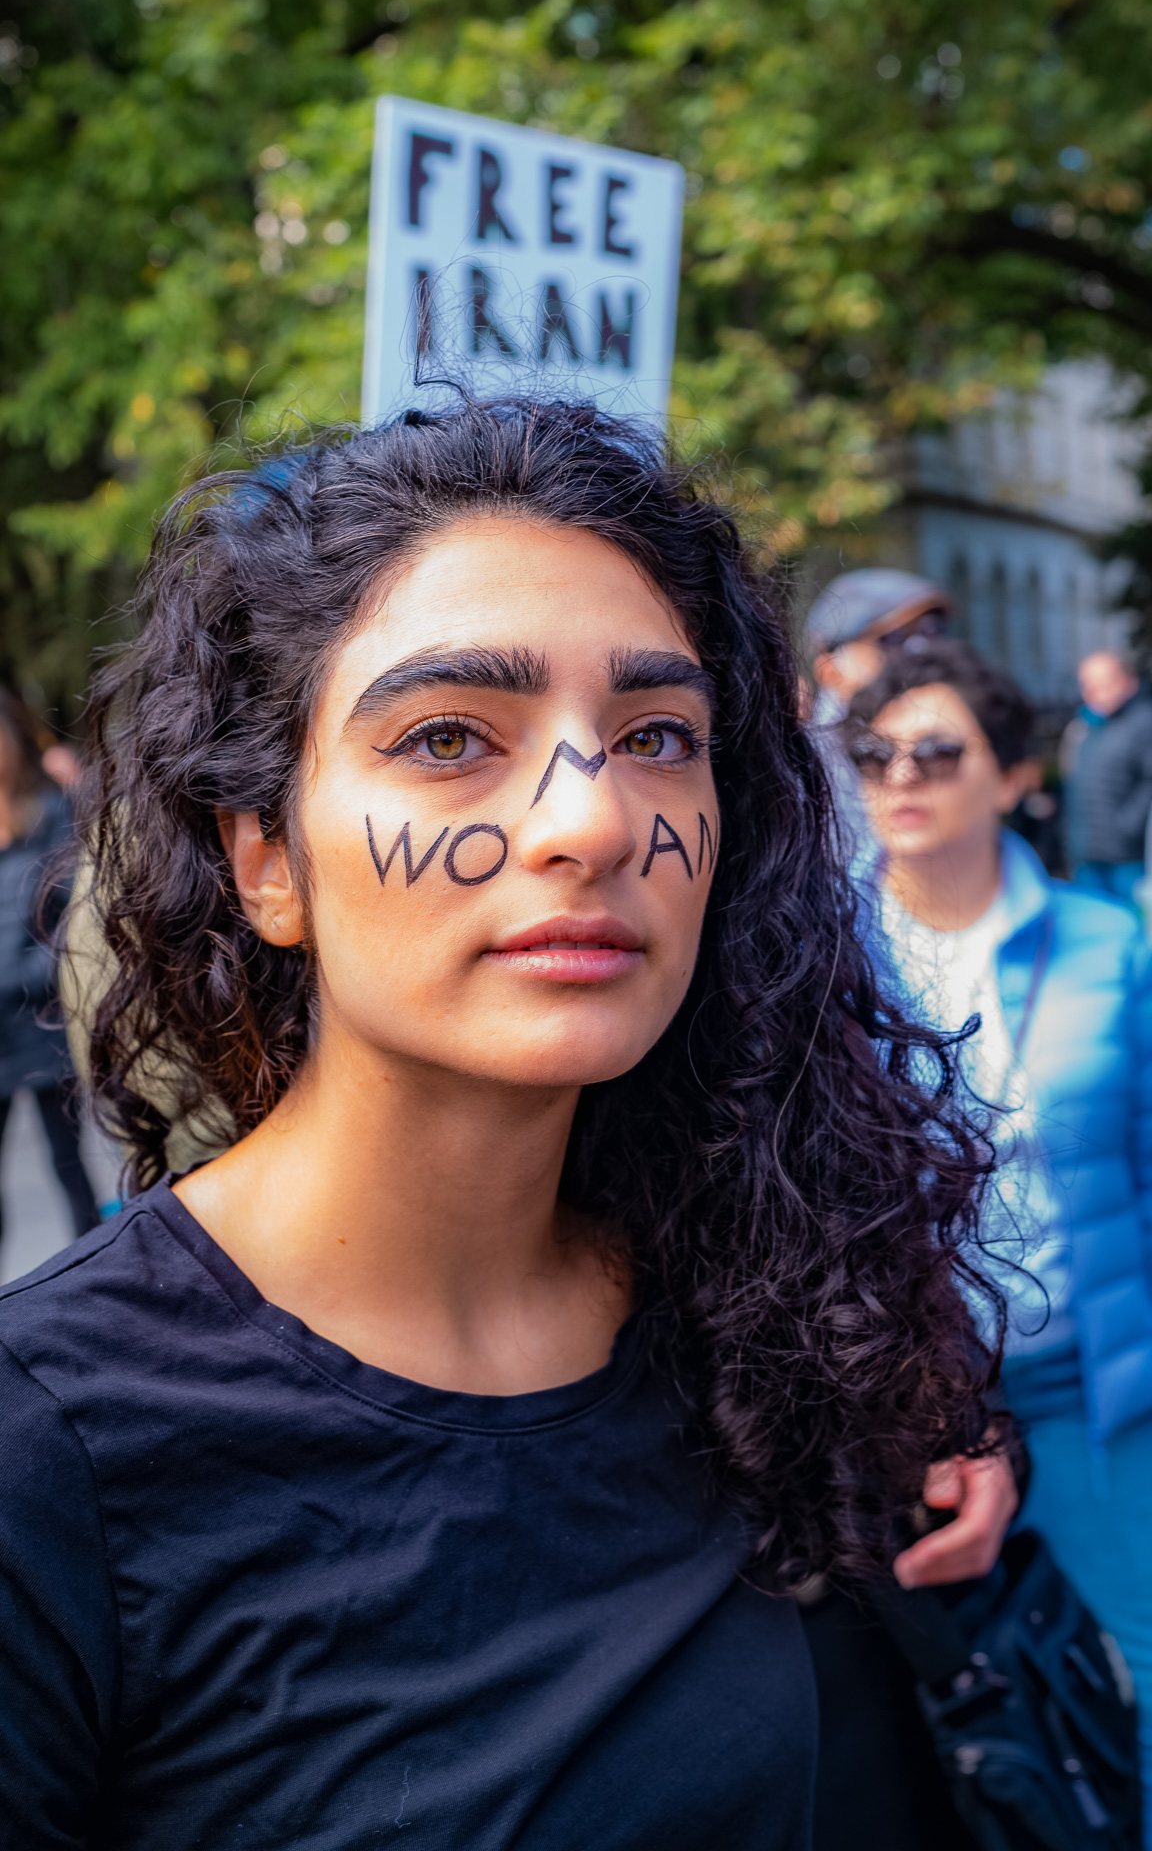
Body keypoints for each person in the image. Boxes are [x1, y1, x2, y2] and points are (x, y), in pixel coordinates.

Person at [0, 400, 1012, 1850]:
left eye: (658, 733)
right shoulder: (49, 1459)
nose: (592, 821)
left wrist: (933, 1438)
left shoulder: (766, 1311)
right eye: (448, 736)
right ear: (266, 859)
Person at [847, 638, 1152, 1834]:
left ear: (1013, 772)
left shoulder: (1109, 947)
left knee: (1136, 1680)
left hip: (1090, 1389)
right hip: (902, 1410)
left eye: (937, 749)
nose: (902, 775)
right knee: (944, 1719)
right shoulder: (817, 953)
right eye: (875, 752)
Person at [0, 686, 98, 1250]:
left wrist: (27, 977)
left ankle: (95, 1295)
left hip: (43, 1024)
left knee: (71, 1169)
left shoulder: (53, 815)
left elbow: (77, 926)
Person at [805, 567, 952, 866]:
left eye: (931, 631)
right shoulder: (803, 763)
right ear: (830, 664)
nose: (918, 649)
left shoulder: (949, 737)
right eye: (892, 638)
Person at [1062, 648, 1152, 907]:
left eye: (1103, 682)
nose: (1093, 691)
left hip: (1128, 858)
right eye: (1086, 683)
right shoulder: (1086, 724)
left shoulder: (1144, 721)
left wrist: (1127, 827)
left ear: (1128, 681)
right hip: (1087, 852)